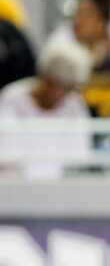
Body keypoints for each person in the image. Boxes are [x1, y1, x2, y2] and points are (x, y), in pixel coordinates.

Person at [0, 40, 92, 179]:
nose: (66, 94)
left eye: (70, 88)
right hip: (16, 186)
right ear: (46, 79)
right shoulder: (13, 98)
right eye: (62, 86)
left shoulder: (74, 104)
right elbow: (7, 153)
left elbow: (80, 155)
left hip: (61, 188)